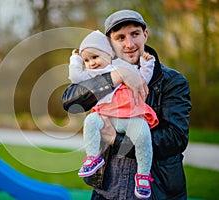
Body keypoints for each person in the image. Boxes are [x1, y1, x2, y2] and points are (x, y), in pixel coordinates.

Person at [62, 9, 191, 199]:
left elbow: (175, 139)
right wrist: (117, 76)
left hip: (156, 192)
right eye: (120, 37)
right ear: (110, 44)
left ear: (145, 34)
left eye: (135, 34)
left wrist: (116, 141)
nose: (129, 44)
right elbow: (70, 100)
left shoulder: (172, 81)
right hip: (106, 191)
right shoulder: (101, 73)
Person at [68, 30, 158, 199]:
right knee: (91, 121)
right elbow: (75, 77)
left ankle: (143, 175)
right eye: (87, 60)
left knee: (143, 134)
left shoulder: (121, 66)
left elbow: (142, 79)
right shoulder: (90, 75)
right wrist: (76, 59)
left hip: (129, 116)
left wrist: (147, 65)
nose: (92, 63)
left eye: (95, 57)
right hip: (105, 116)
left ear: (108, 54)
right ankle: (93, 158)